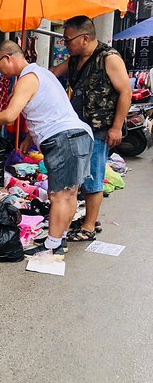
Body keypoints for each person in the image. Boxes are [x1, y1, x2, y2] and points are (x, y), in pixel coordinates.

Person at [0, 41, 93, 258]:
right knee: (70, 192)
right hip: (79, 135)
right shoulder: (43, 74)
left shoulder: (26, 79)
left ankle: (52, 246)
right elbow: (47, 109)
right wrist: (29, 138)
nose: (0, 71)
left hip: (63, 138)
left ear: (8, 58)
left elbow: (9, 116)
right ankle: (58, 239)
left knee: (58, 196)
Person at [50, 16, 131, 242]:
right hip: (78, 127)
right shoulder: (75, 59)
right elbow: (54, 72)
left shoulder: (109, 58)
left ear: (84, 38)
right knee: (83, 175)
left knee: (93, 175)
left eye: (68, 40)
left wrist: (116, 127)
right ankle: (89, 218)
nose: (66, 44)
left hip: (99, 128)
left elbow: (126, 92)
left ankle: (89, 226)